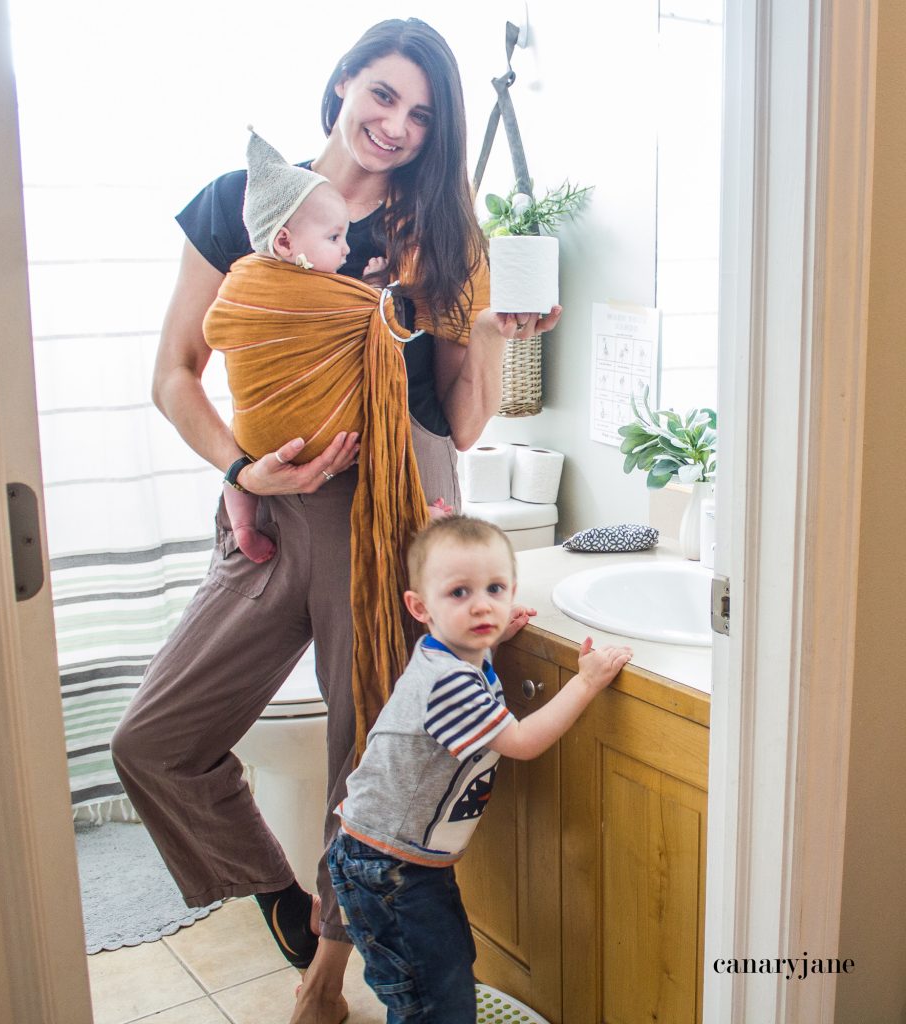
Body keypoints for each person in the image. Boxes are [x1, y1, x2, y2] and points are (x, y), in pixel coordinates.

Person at [111, 19, 562, 1024]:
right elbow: (175, 372)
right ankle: (284, 897)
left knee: (366, 758)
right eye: (384, 94)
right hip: (273, 508)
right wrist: (236, 465)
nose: (396, 125)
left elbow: (456, 415)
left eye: (421, 114)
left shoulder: (439, 234)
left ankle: (322, 984)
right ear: (344, 81)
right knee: (153, 739)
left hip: (397, 513)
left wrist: (487, 328)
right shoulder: (241, 203)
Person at [328, 516, 633, 1022]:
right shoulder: (447, 681)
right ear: (420, 607)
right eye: (459, 593)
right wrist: (586, 683)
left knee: (442, 975)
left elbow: (475, 661)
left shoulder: (456, 655)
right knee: (432, 999)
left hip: (401, 861)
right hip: (389, 869)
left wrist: (495, 640)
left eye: (495, 589)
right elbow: (521, 741)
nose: (481, 605)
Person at [218, 127, 390, 565]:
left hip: (258, 440)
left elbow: (221, 320)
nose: (347, 249)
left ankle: (243, 523)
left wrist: (367, 289)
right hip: (282, 441)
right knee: (238, 468)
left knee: (237, 467)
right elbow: (381, 317)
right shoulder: (262, 281)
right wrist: (375, 291)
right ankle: (239, 523)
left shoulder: (248, 278)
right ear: (285, 242)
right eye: (334, 238)